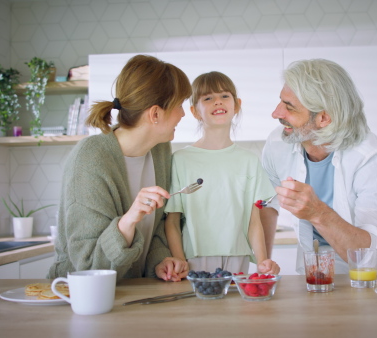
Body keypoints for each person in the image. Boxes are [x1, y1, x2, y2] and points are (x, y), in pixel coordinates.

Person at [48, 55, 192, 281]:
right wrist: (129, 219)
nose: (183, 114)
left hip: (134, 295)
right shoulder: (89, 159)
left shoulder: (160, 149)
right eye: (179, 105)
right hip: (76, 298)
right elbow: (88, 265)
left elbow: (156, 228)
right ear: (155, 114)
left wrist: (161, 260)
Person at [260, 59, 377, 275]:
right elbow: (267, 206)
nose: (276, 113)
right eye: (280, 102)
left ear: (323, 118)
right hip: (313, 273)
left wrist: (317, 212)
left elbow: (375, 259)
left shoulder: (369, 157)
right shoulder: (277, 144)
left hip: (371, 279)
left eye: (289, 107)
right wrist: (264, 259)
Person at [164, 71, 280, 275]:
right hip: (193, 260)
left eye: (225, 96)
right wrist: (180, 260)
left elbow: (254, 221)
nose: (218, 102)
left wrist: (263, 262)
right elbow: (172, 221)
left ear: (237, 105)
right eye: (208, 98)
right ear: (195, 111)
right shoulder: (181, 160)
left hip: (238, 257)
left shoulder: (249, 161)